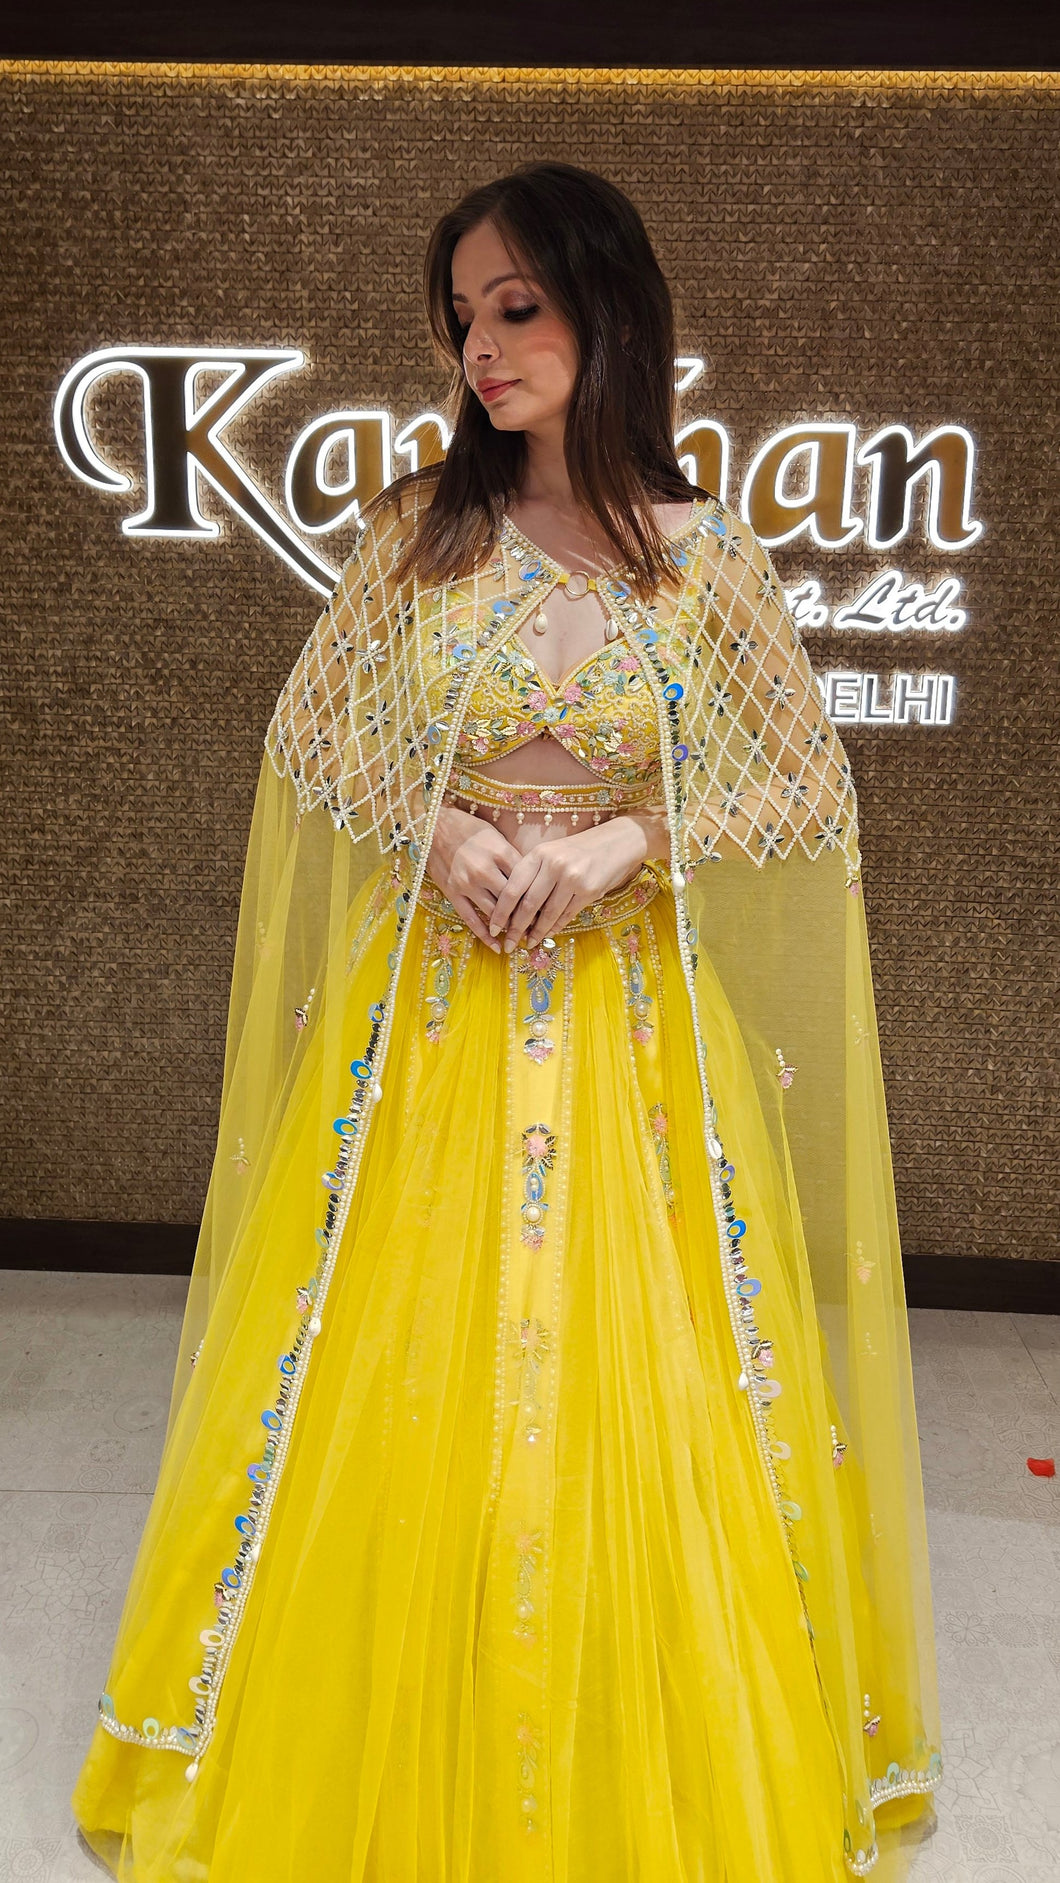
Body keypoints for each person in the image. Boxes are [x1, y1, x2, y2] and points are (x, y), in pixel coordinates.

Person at [71, 161, 942, 1882]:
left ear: (611, 311)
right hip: (431, 1021)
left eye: (517, 306)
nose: (482, 345)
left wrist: (632, 841)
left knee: (651, 1383)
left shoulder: (705, 557)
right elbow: (316, 737)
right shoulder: (422, 529)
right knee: (388, 1364)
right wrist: (435, 827)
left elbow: (804, 787)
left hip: (631, 1036)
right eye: (464, 315)